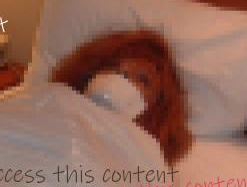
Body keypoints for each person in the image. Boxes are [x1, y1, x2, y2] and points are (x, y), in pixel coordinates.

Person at [50, 29, 193, 165]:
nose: (123, 78)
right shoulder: (51, 104)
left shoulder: (148, 159)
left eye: (143, 79)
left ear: (157, 105)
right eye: (114, 68)